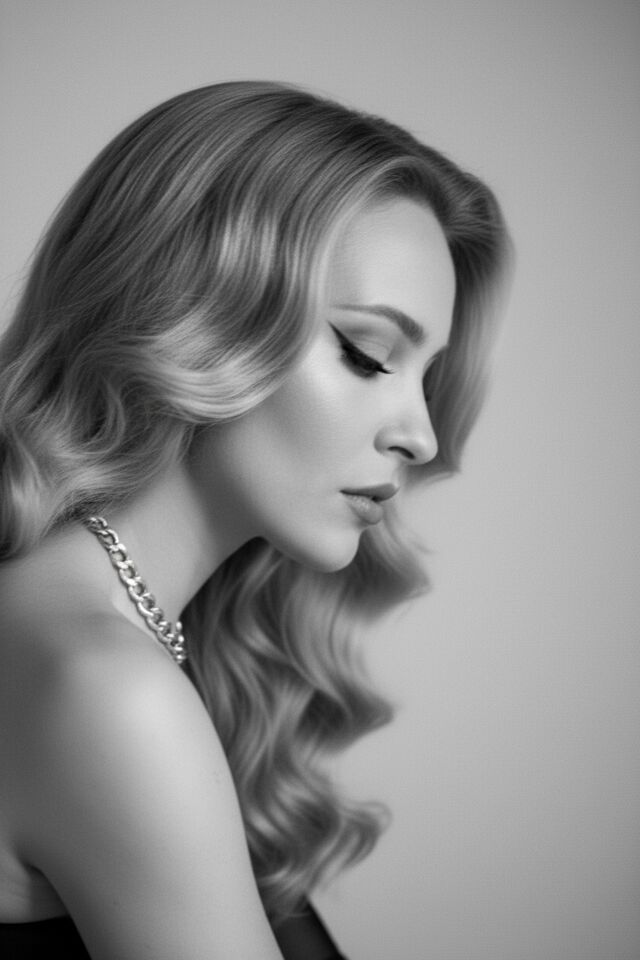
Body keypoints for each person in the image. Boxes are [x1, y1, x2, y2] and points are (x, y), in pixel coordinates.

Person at [0, 81, 509, 959]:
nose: (422, 436)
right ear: (191, 309)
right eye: (368, 354)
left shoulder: (100, 629)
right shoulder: (106, 690)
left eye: (428, 376)